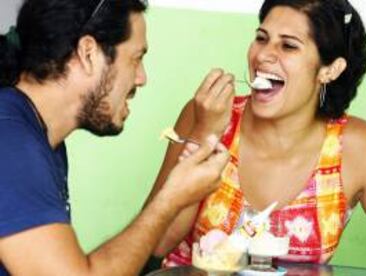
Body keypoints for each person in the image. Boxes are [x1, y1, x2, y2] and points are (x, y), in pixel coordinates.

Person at [146, 0, 366, 272]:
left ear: (329, 69)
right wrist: (205, 135)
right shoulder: (206, 118)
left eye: (288, 45)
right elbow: (155, 244)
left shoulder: (357, 148)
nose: (263, 55)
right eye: (261, 39)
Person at [0, 0, 233, 275]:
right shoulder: (12, 144)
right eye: (136, 58)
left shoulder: (39, 137)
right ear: (88, 53)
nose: (141, 78)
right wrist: (169, 200)